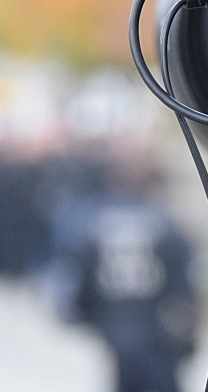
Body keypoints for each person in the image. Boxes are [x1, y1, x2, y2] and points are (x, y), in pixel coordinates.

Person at [48, 159, 197, 392]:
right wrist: (188, 335)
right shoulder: (164, 223)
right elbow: (184, 283)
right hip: (155, 326)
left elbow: (79, 269)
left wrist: (80, 311)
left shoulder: (93, 222)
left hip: (114, 324)